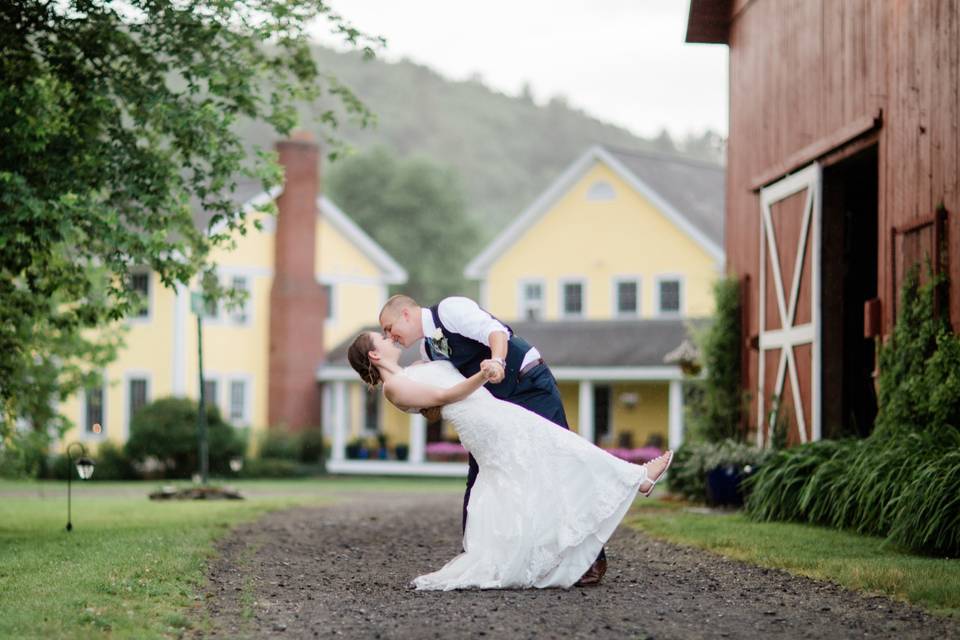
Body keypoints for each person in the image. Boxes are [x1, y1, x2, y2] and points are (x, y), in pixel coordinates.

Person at [347, 331, 673, 590]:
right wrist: (484, 374)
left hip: (490, 412)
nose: (390, 338)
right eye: (383, 338)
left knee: (532, 469)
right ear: (375, 354)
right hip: (482, 421)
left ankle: (552, 547)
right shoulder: (394, 386)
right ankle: (637, 476)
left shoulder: (413, 369)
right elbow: (443, 397)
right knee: (558, 445)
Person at [378, 294, 611, 586]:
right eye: (385, 334)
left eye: (389, 327)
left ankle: (591, 559)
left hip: (528, 384)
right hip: (496, 413)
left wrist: (497, 361)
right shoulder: (428, 349)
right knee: (480, 477)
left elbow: (495, 332)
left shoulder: (450, 310)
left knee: (558, 465)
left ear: (407, 314)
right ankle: (477, 558)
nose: (390, 336)